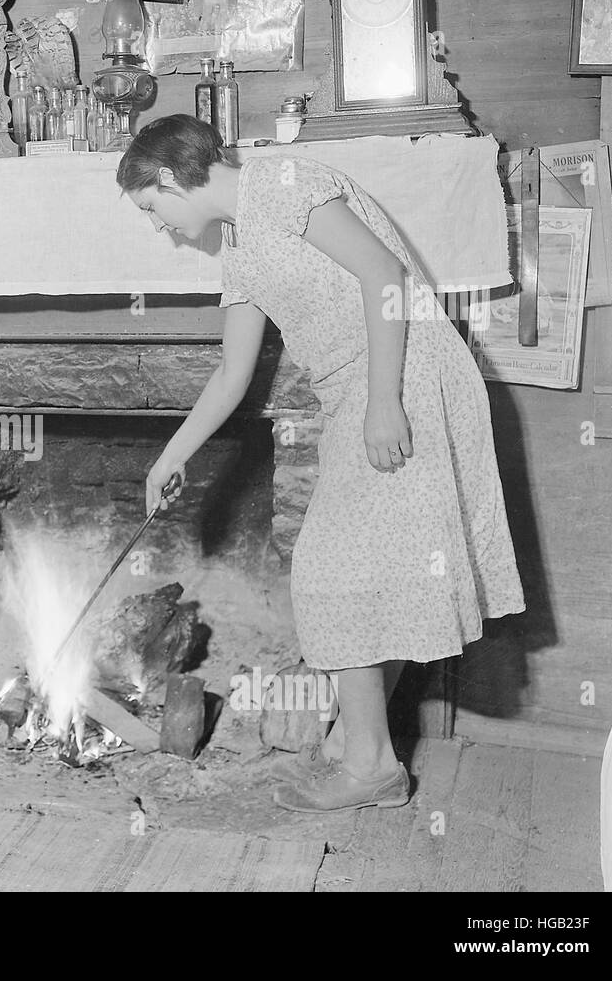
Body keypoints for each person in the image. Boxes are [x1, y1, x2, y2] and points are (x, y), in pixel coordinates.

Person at [119, 116, 525, 813]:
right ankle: (354, 743)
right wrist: (170, 455)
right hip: (354, 395)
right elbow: (231, 375)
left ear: (167, 178)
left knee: (328, 573)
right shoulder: (238, 248)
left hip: (405, 377)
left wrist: (384, 399)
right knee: (374, 573)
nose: (163, 228)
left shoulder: (284, 184)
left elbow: (384, 275)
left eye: (154, 210)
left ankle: (372, 764)